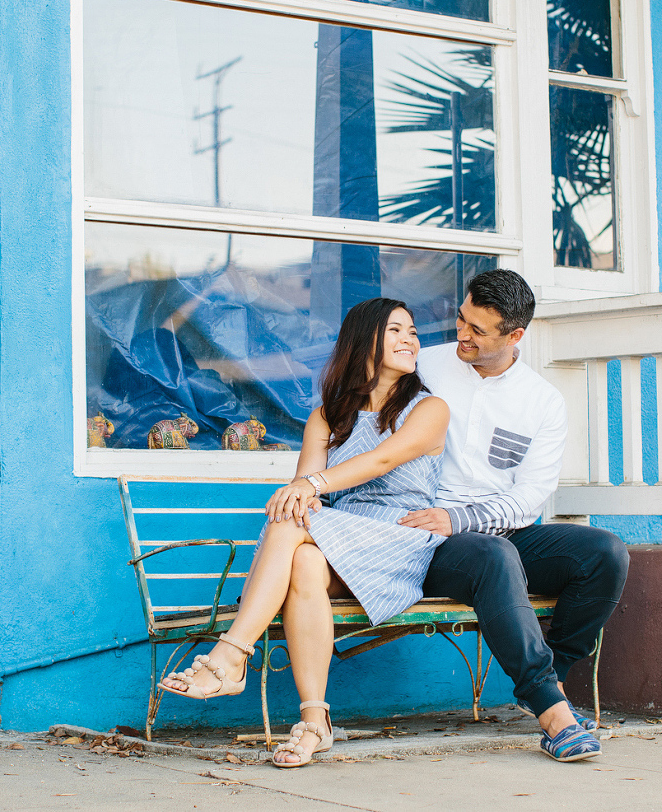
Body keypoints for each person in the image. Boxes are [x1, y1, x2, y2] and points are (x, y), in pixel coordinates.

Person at [157, 298, 450, 769]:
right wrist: (305, 490)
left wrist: (308, 486)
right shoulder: (327, 416)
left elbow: (382, 460)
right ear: (365, 339)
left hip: (400, 536)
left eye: (413, 331)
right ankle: (315, 720)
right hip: (342, 537)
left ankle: (231, 656)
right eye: (396, 329)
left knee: (292, 518)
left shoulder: (429, 408)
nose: (410, 339)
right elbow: (305, 496)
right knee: (304, 557)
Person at [400, 268, 630, 763]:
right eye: (460, 319)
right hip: (424, 536)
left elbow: (530, 498)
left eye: (477, 330)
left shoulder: (541, 401)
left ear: (515, 335)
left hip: (495, 531)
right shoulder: (425, 366)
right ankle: (554, 712)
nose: (461, 333)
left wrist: (461, 519)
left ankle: (550, 683)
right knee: (494, 554)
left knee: (603, 553)